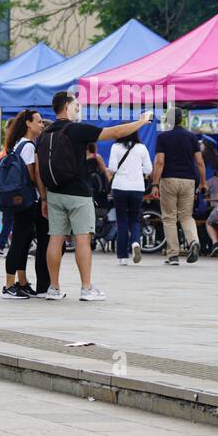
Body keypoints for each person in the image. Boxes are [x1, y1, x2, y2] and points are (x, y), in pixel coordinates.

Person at [37, 91, 152, 301]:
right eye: (76, 105)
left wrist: (44, 197)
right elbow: (116, 132)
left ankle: (53, 288)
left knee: (55, 239)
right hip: (78, 193)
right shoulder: (76, 130)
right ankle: (86, 288)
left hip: (53, 193)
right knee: (83, 239)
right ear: (66, 107)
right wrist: (142, 121)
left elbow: (38, 168)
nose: (79, 109)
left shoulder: (45, 133)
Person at [2, 110, 49, 299]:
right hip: (28, 199)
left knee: (23, 241)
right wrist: (43, 195)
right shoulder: (28, 146)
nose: (42, 125)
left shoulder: (18, 144)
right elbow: (32, 175)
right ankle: (8, 285)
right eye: (38, 122)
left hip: (20, 199)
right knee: (19, 242)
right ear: (28, 123)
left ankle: (21, 281)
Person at [150, 107, 207, 265]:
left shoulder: (163, 137)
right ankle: (193, 241)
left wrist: (155, 184)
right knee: (186, 216)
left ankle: (173, 255)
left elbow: (160, 162)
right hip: (188, 181)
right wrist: (202, 183)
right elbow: (200, 163)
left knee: (169, 217)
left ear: (169, 120)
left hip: (169, 180)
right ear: (182, 119)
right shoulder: (192, 137)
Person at [108, 133, 152, 266]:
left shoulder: (115, 147)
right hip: (137, 188)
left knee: (122, 221)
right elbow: (149, 169)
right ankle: (135, 242)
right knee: (134, 219)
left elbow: (112, 168)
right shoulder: (142, 148)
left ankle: (123, 257)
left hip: (120, 187)